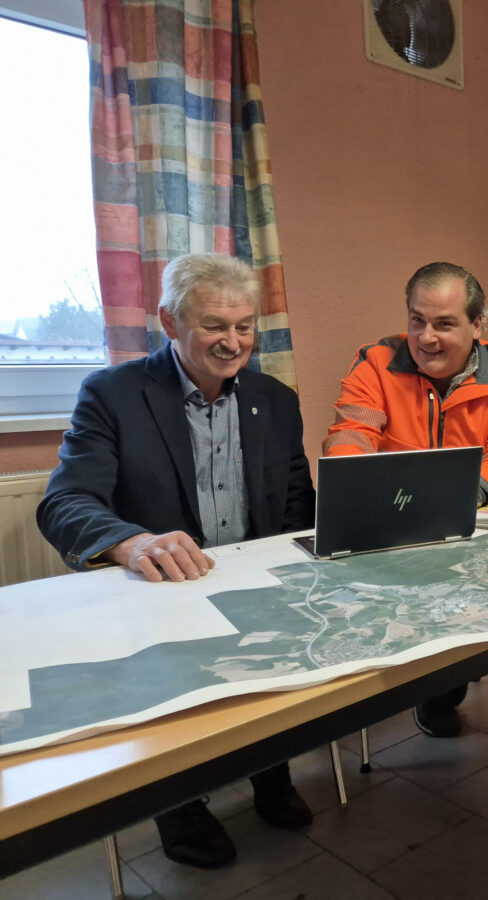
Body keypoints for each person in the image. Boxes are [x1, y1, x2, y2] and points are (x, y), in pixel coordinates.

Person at [37, 253, 317, 868]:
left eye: (244, 326)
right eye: (214, 325)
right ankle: (181, 806)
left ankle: (271, 773)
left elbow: (297, 498)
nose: (233, 342)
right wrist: (131, 542)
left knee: (270, 676)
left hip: (256, 584)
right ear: (170, 322)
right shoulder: (113, 394)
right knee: (177, 705)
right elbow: (65, 502)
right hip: (159, 595)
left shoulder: (274, 398)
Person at [323, 261, 488, 737]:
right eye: (417, 320)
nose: (426, 337)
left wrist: (455, 498)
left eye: (444, 324)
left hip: (469, 530)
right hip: (388, 530)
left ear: (478, 325)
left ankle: (440, 687)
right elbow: (350, 435)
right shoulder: (375, 362)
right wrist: (361, 487)